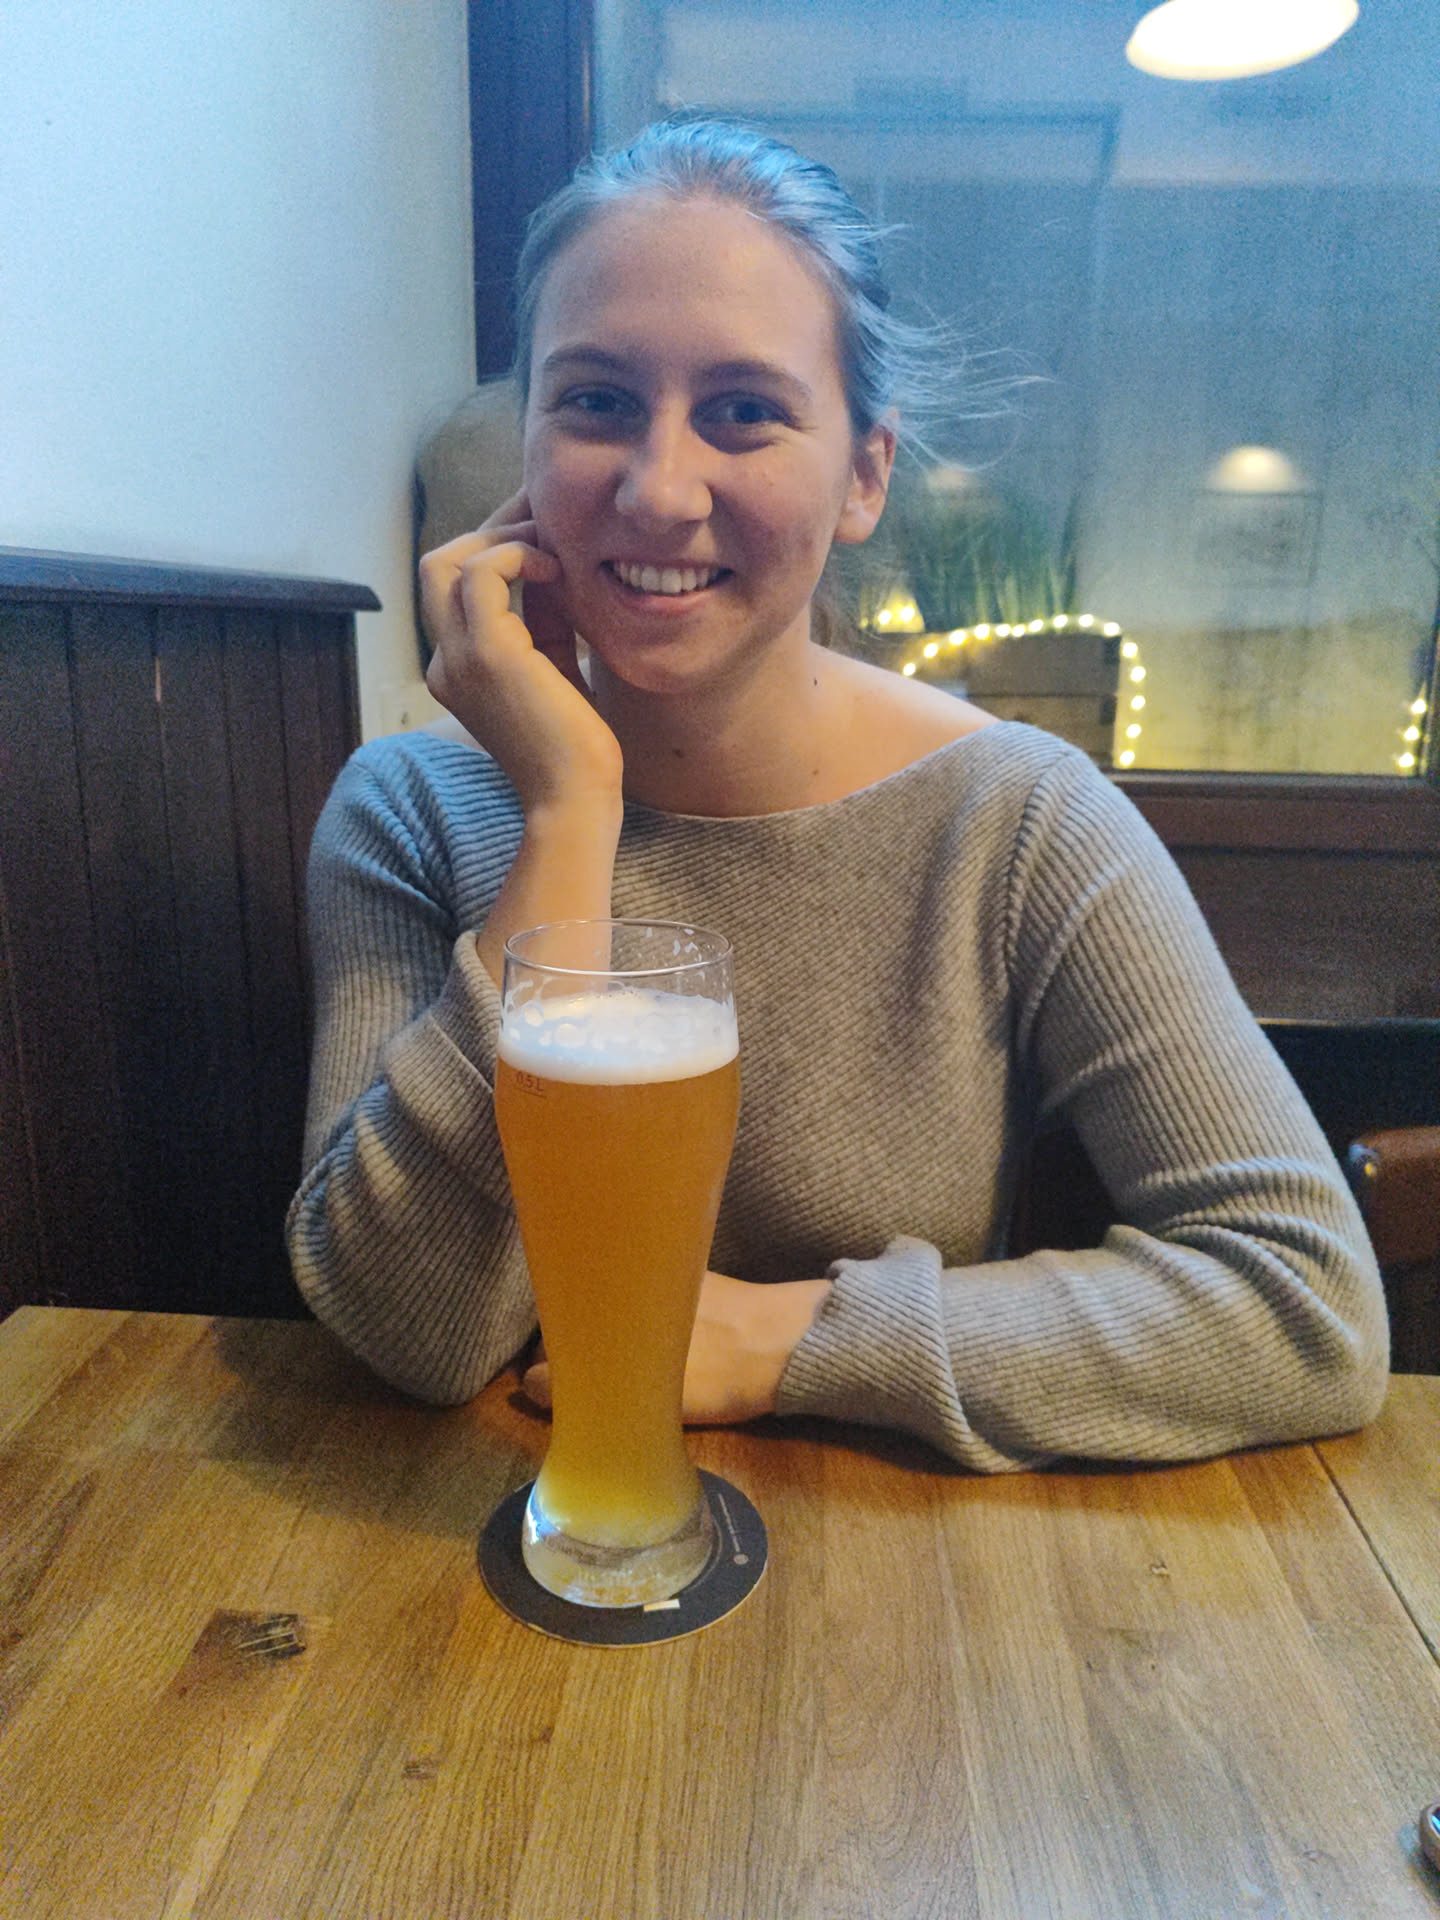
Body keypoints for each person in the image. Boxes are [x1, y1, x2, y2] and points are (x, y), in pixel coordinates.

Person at [287, 118, 1387, 1472]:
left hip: (907, 1564)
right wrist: (570, 811)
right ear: (526, 447)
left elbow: (1306, 1302)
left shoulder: (1019, 821)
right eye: (596, 401)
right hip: (498, 1547)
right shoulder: (406, 811)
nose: (659, 488)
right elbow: (412, 1328)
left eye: (744, 410)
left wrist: (793, 1338)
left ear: (865, 473)